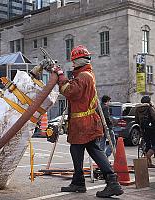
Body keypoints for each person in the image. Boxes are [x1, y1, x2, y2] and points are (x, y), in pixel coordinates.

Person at [43, 45, 123, 197]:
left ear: (79, 61)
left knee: (91, 150)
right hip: (84, 122)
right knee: (79, 150)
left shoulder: (84, 76)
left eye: (73, 62)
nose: (72, 64)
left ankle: (112, 182)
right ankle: (79, 182)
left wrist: (60, 75)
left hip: (84, 123)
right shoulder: (85, 75)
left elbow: (69, 91)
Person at [135, 95, 155, 167]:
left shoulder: (137, 109)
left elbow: (136, 120)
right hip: (152, 129)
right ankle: (146, 158)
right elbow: (154, 117)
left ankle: (148, 163)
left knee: (148, 145)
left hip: (143, 129)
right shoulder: (150, 108)